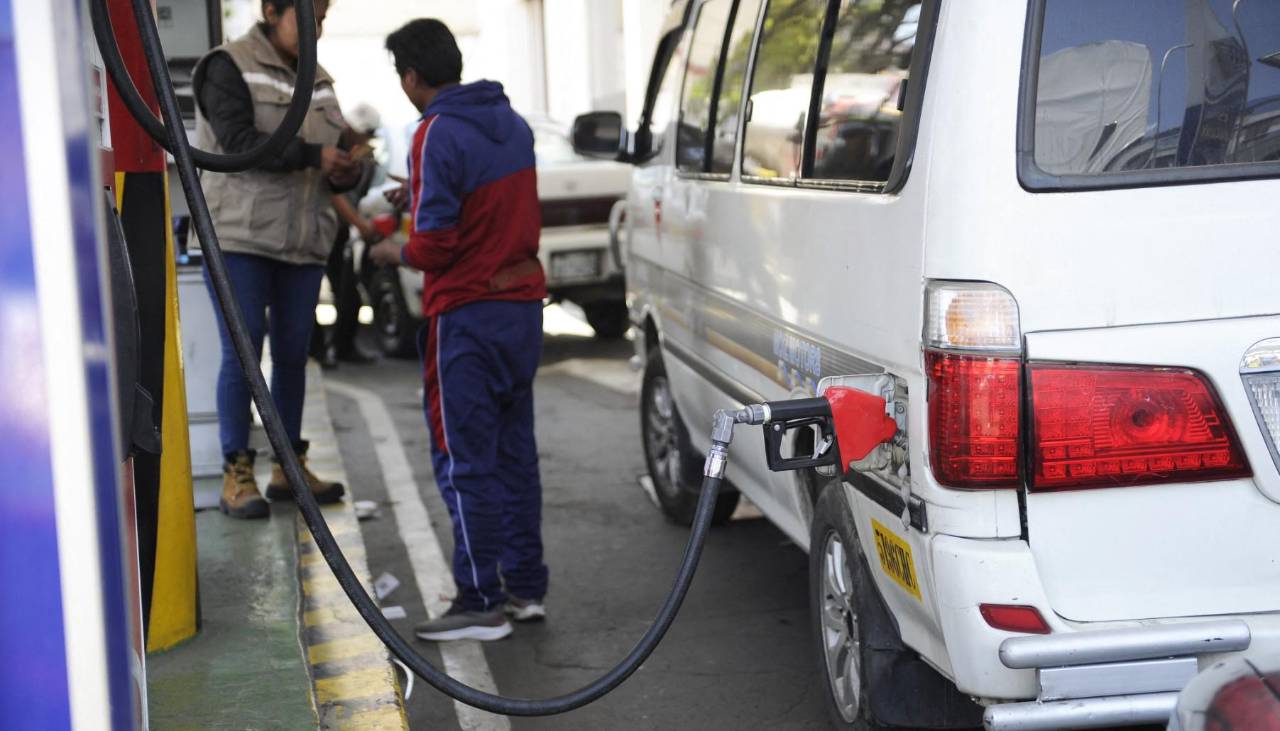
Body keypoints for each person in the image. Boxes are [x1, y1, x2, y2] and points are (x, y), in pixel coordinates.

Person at [370, 18, 548, 641]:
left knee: (463, 457)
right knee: (514, 454)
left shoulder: (435, 131)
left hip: (466, 317)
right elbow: (487, 209)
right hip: (521, 309)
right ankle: (525, 588)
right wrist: (418, 194)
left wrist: (395, 251)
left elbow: (440, 244)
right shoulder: (512, 124)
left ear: (412, 77)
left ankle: (477, 599)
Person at [193, 0, 355, 519]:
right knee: (244, 355)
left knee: (291, 355)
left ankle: (288, 466)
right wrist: (314, 156)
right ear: (270, 10)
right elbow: (238, 142)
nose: (317, 30)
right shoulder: (229, 65)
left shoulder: (322, 80)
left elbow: (341, 148)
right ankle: (236, 474)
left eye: (324, 19)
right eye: (307, 18)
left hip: (304, 239)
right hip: (242, 236)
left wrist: (350, 169)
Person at [312, 104, 384, 368]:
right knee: (309, 292)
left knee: (348, 292)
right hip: (318, 229)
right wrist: (360, 224)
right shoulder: (332, 143)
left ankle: (342, 347)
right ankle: (317, 352)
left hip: (338, 232)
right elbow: (333, 192)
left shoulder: (362, 154)